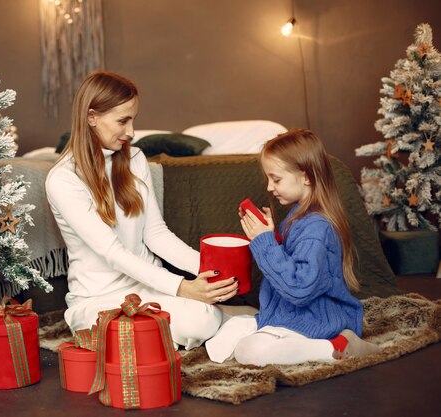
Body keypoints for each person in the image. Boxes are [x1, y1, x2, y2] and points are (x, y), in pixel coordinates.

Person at [45, 71, 238, 349]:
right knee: (197, 320)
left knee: (203, 316)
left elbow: (156, 233)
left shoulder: (134, 159)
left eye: (133, 119)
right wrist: (183, 288)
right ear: (91, 118)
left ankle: (170, 332)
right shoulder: (63, 179)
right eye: (122, 121)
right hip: (98, 300)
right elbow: (112, 253)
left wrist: (210, 271)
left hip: (149, 288)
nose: (132, 132)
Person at [205, 129, 380, 365]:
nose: (269, 187)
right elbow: (294, 260)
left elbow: (299, 288)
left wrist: (264, 242)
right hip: (284, 313)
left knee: (250, 352)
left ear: (306, 177)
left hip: (316, 318)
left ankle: (338, 346)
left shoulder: (317, 227)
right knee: (224, 336)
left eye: (276, 179)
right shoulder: (298, 217)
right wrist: (270, 235)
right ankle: (274, 336)